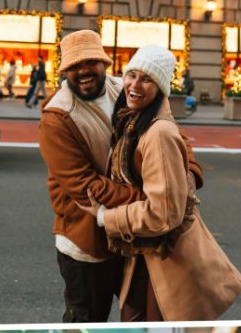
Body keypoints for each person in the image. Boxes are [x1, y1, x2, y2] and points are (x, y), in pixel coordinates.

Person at [39, 30, 205, 322]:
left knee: (141, 319)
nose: (83, 71)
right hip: (89, 242)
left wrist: (190, 172)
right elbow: (85, 187)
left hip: (135, 235)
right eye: (74, 66)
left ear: (104, 62)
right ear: (64, 71)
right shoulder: (57, 117)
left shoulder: (125, 86)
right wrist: (155, 200)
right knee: (88, 322)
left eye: (90, 61)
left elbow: (173, 133)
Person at [76, 45, 241, 321]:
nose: (135, 84)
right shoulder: (133, 120)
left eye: (147, 79)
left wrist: (106, 217)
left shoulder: (156, 133)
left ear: (161, 88)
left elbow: (163, 214)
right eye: (132, 75)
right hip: (145, 252)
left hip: (165, 256)